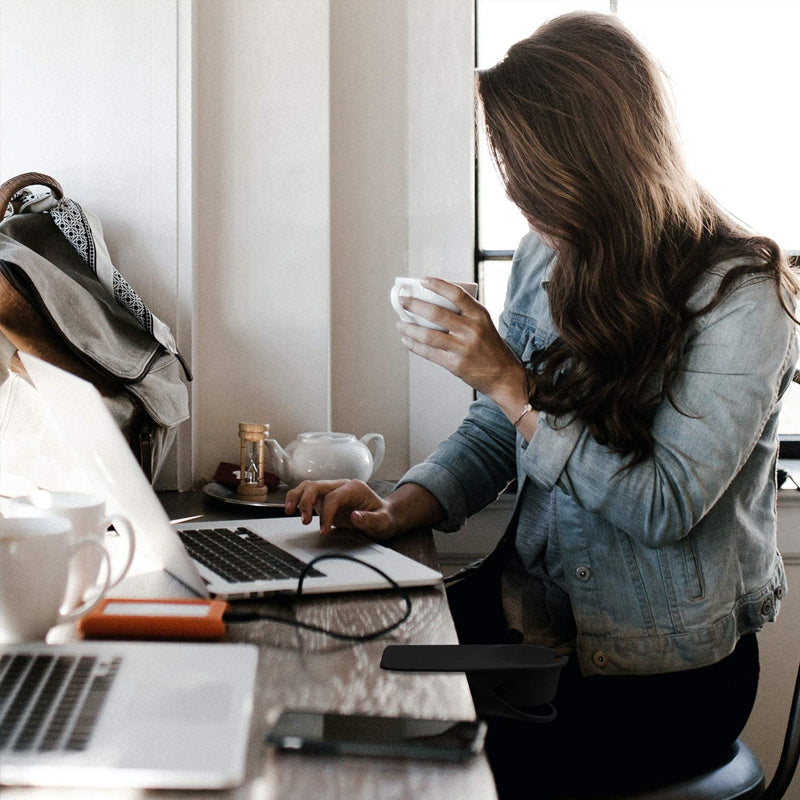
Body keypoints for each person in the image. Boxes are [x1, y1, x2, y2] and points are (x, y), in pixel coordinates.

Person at [286, 11, 800, 798]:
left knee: (382, 765)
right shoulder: (548, 254)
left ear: (596, 160)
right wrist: (402, 506)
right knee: (316, 688)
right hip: (529, 633)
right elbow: (500, 428)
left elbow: (662, 505)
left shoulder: (744, 297)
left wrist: (507, 380)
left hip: (658, 683)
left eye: (528, 172)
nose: (518, 198)